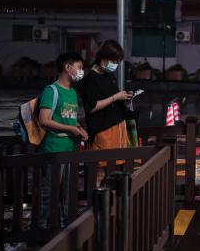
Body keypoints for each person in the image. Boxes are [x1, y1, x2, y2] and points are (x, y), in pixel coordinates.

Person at [37, 52, 88, 227]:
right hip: (54, 149)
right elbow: (44, 120)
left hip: (70, 149)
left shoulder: (72, 92)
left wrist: (79, 128)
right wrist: (71, 129)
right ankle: (42, 228)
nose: (81, 71)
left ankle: (65, 225)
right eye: (79, 67)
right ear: (68, 67)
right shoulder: (51, 91)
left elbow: (70, 118)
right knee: (49, 191)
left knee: (68, 192)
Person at [81, 40, 133, 186]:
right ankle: (96, 199)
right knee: (101, 172)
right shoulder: (91, 79)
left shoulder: (109, 75)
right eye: (114, 61)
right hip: (103, 131)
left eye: (117, 62)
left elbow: (113, 99)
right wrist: (115, 97)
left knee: (114, 171)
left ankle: (111, 199)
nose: (115, 65)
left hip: (117, 129)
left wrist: (125, 98)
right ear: (103, 58)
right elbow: (91, 107)